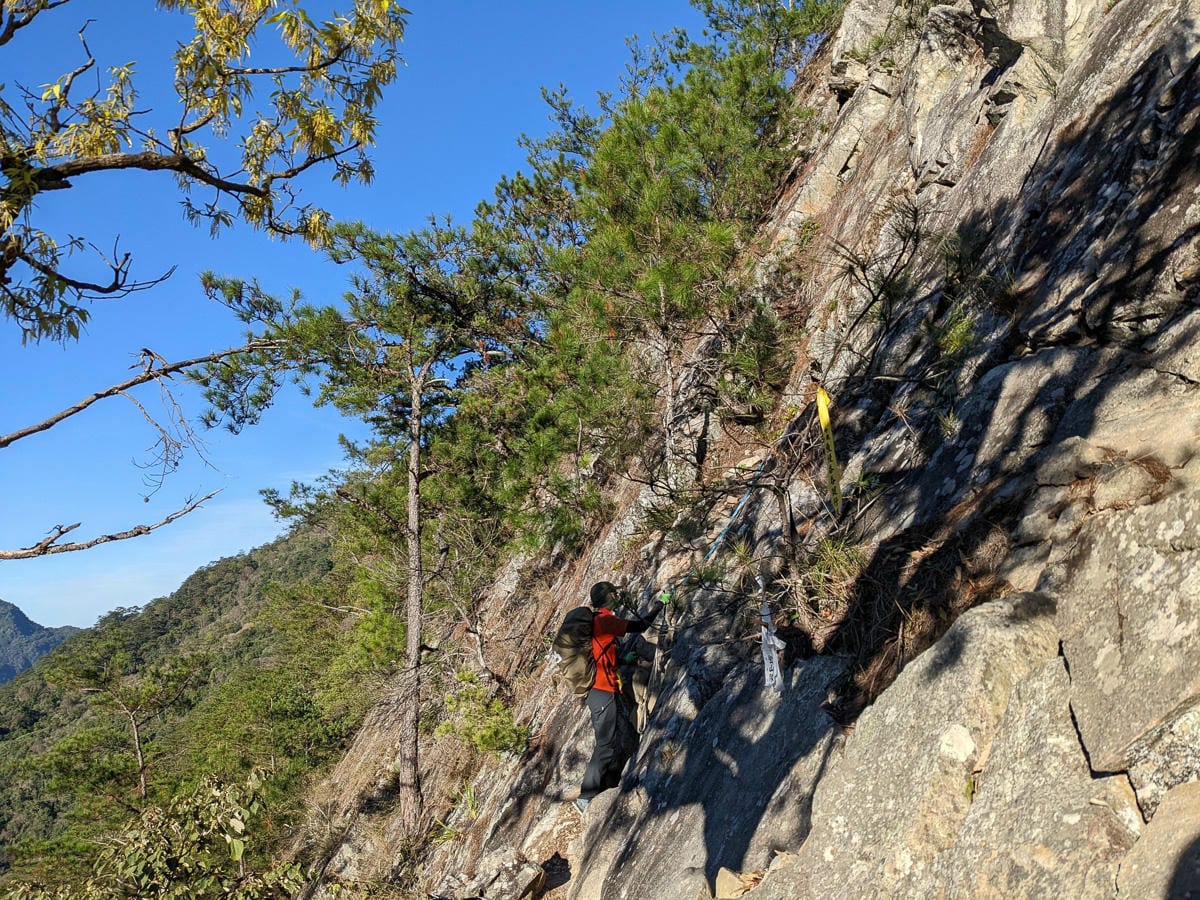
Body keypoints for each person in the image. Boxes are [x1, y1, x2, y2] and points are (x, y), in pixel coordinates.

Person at [575, 581, 663, 814]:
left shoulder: (595, 623)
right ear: (609, 596)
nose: (617, 595)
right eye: (614, 592)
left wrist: (624, 660)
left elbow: (602, 656)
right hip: (602, 691)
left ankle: (606, 786)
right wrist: (659, 605)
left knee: (615, 742)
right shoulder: (604, 621)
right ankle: (585, 797)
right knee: (605, 745)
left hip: (602, 690)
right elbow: (640, 626)